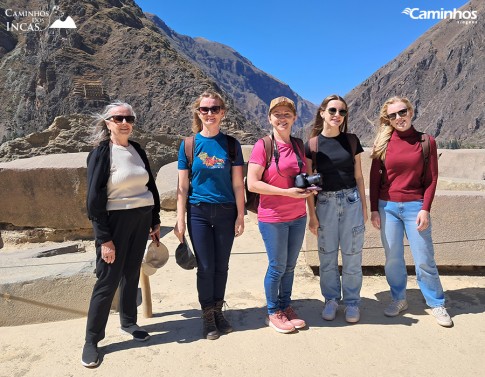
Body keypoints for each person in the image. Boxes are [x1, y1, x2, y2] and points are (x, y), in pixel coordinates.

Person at [82, 101, 161, 367]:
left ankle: (128, 322)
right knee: (107, 280)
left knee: (130, 273)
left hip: (141, 220)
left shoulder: (137, 149)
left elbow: (149, 185)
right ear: (108, 123)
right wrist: (104, 238)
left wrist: (155, 220)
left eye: (129, 118)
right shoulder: (102, 153)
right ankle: (92, 341)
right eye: (118, 118)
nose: (125, 122)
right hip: (114, 223)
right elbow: (94, 200)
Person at [369, 96, 453, 327]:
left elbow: (432, 179)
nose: (399, 118)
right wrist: (375, 209)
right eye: (393, 115)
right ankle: (398, 299)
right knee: (393, 258)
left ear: (411, 111)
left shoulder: (426, 141)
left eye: (402, 112)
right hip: (388, 208)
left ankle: (436, 302)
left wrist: (425, 209)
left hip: (415, 207)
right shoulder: (382, 143)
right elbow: (374, 180)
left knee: (424, 257)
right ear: (388, 119)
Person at [174, 91, 245, 340]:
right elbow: (182, 187)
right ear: (198, 113)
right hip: (198, 212)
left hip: (226, 211)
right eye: (205, 109)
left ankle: (218, 310)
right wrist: (180, 218)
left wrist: (241, 214)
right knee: (205, 267)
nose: (210, 113)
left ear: (223, 113)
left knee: (221, 266)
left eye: (215, 109)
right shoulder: (188, 145)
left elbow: (238, 184)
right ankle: (207, 315)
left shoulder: (232, 145)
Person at [247, 96, 314, 334]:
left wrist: (308, 190)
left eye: (287, 114)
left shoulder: (298, 145)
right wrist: (286, 192)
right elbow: (253, 184)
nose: (282, 118)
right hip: (272, 217)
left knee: (290, 266)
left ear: (295, 117)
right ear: (270, 118)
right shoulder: (263, 146)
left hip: (297, 216)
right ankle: (273, 310)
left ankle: (286, 306)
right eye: (277, 114)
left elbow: (303, 176)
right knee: (277, 266)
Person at [305, 94, 367, 324]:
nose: (337, 116)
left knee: (352, 256)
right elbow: (310, 183)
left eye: (342, 112)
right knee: (327, 256)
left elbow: (359, 176)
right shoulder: (311, 145)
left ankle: (352, 303)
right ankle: (331, 300)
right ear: (322, 112)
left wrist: (364, 206)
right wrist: (312, 215)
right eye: (332, 110)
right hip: (325, 204)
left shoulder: (351, 141)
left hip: (351, 202)